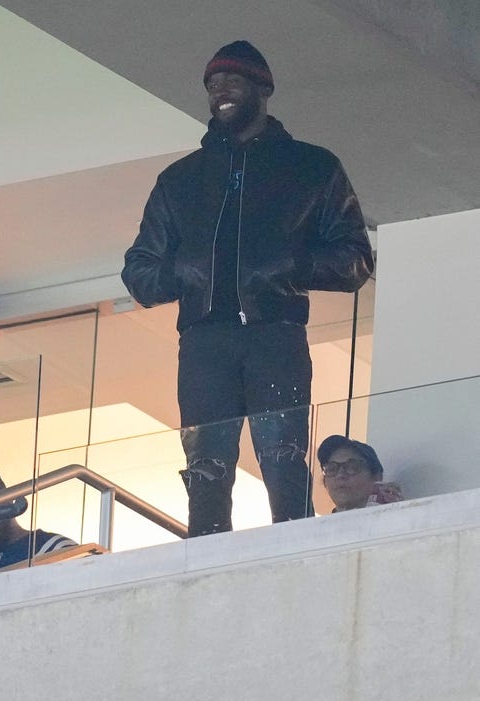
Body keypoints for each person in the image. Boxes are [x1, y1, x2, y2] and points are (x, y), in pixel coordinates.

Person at [121, 40, 374, 537]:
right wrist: (186, 271)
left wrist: (289, 265)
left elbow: (356, 260)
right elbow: (139, 272)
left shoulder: (311, 167)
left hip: (275, 331)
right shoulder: (180, 180)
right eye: (212, 86)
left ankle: (297, 545)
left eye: (232, 82)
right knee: (205, 465)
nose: (220, 92)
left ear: (263, 88)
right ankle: (207, 553)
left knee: (282, 456)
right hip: (203, 339)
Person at [317, 435, 403, 512]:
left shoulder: (395, 520)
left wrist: (400, 512)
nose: (340, 475)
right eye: (332, 469)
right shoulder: (315, 528)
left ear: (377, 477)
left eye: (352, 467)